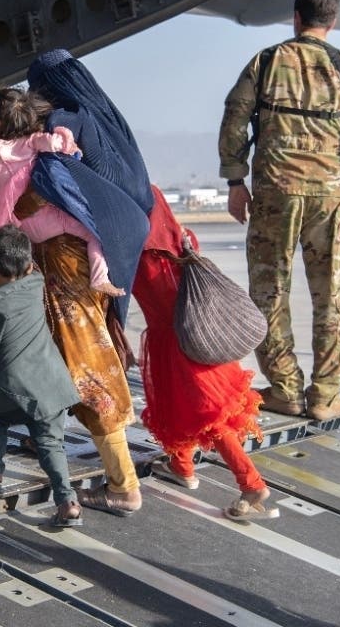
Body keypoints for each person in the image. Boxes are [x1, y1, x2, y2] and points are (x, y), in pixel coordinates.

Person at [218, 0, 340, 421]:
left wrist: (235, 180)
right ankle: (325, 395)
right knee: (332, 296)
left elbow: (235, 117)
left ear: (296, 18)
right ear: (333, 22)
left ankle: (285, 388)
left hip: (274, 193)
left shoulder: (266, 61)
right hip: (329, 198)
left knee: (269, 292)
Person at [22, 48, 154, 517]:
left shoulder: (63, 121)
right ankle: (46, 439)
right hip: (99, 252)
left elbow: (53, 186)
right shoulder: (104, 120)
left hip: (72, 264)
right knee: (65, 354)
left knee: (87, 364)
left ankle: (123, 485)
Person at [135, 185, 279, 521]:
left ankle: (251, 484)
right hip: (202, 339)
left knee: (209, 416)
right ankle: (181, 466)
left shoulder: (140, 257)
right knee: (183, 406)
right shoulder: (180, 239)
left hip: (178, 348)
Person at [0, 86, 124, 296]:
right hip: (53, 220)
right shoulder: (31, 141)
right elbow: (56, 143)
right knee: (96, 235)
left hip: (22, 229)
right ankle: (100, 278)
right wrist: (67, 141)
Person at [0, 225, 83, 527]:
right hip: (54, 382)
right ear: (29, 265)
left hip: (17, 387)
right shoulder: (36, 282)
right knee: (50, 443)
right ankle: (68, 502)